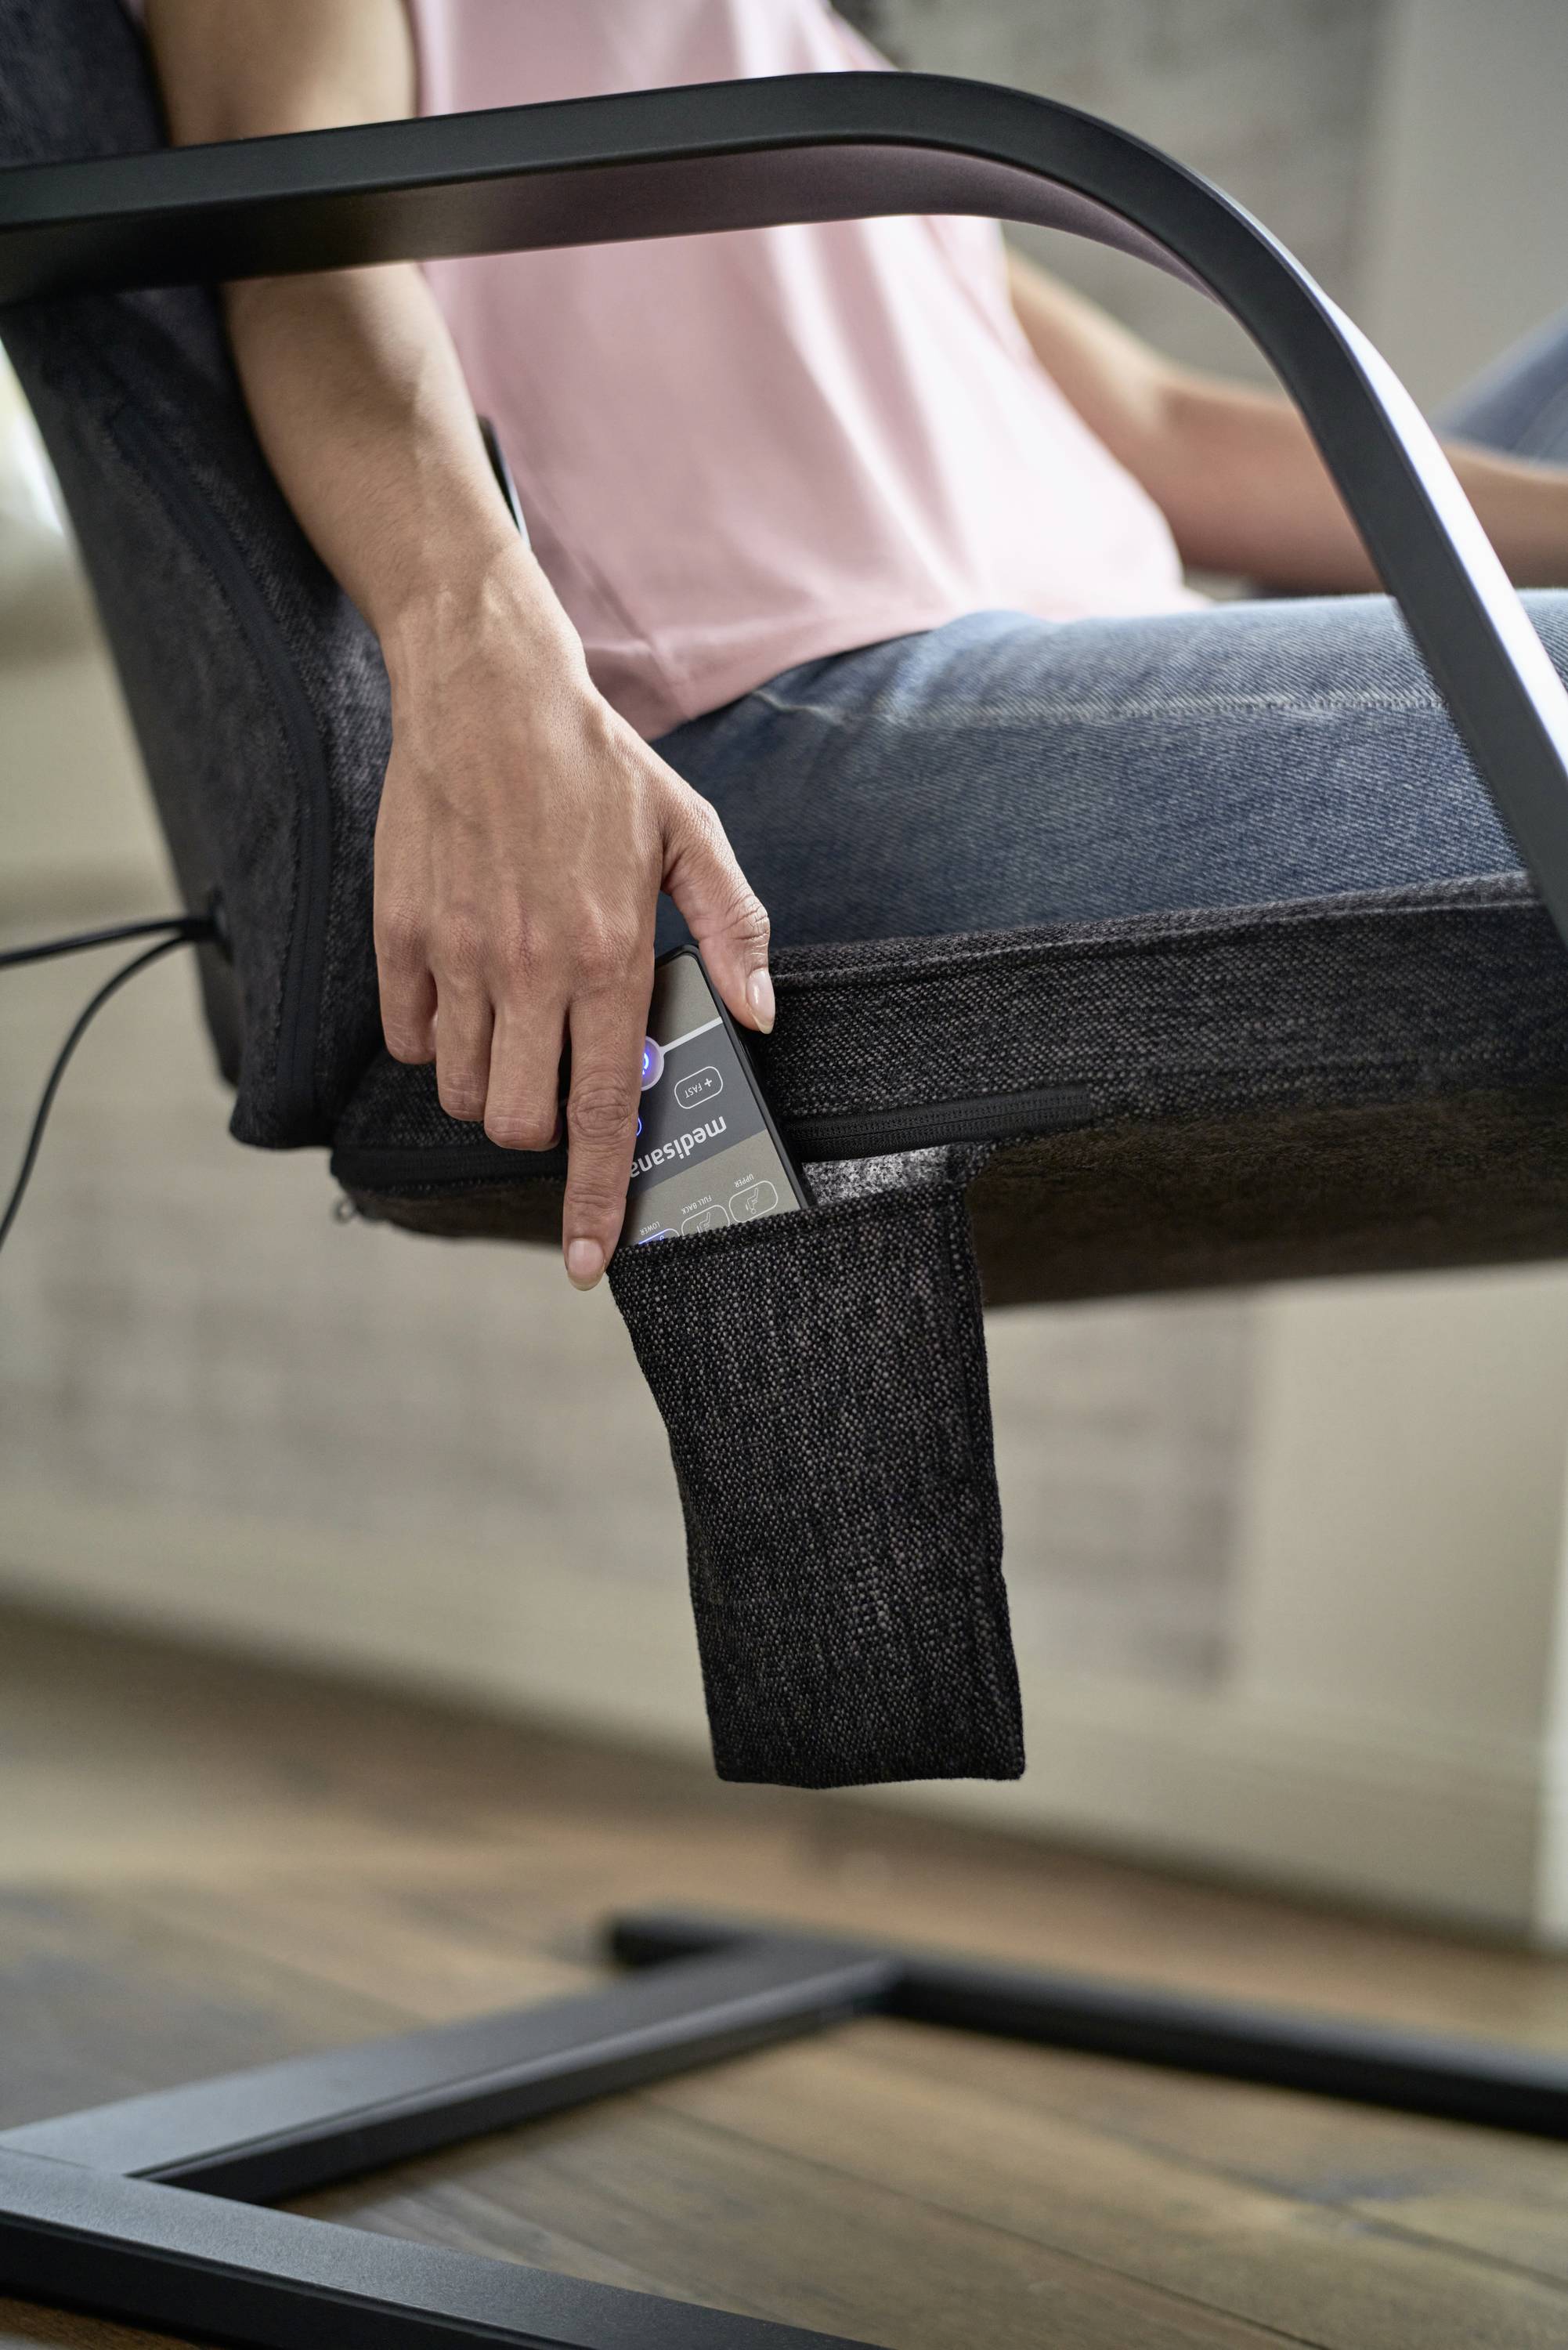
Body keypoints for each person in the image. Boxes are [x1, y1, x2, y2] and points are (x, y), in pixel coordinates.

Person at [135, 0, 1568, 1289]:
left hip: (1091, 656)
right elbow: (291, 249)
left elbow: (1147, 422)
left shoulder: (821, 56)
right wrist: (476, 662)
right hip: (782, 722)